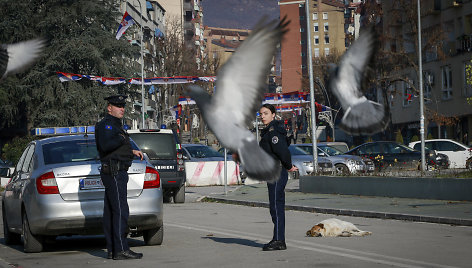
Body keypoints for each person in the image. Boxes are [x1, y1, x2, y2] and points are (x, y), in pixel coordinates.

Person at [95, 94, 144, 260]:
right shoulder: (106, 125)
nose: (122, 109)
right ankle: (121, 249)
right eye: (118, 106)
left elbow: (116, 147)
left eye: (123, 106)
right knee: (121, 211)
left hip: (117, 171)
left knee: (111, 212)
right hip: (114, 172)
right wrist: (121, 138)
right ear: (109, 108)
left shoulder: (116, 125)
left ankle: (113, 250)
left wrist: (131, 151)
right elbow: (106, 145)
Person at [259, 104, 298, 251]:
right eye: (261, 114)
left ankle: (279, 240)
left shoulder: (273, 131)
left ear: (273, 115)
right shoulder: (268, 131)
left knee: (276, 206)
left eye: (266, 113)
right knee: (274, 207)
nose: (262, 116)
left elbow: (282, 151)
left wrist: (288, 166)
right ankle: (277, 238)